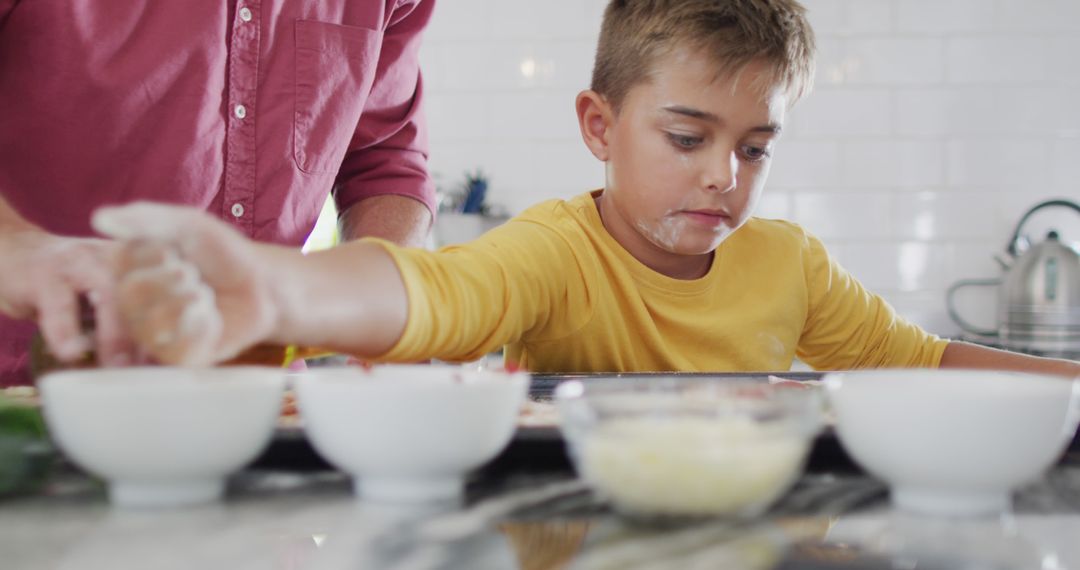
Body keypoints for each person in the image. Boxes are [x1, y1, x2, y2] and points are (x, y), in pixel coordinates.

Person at [95, 0, 1079, 378]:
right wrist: (277, 287)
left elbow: (921, 363)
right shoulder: (556, 250)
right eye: (688, 137)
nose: (721, 176)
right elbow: (441, 295)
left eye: (754, 149)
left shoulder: (789, 265)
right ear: (598, 127)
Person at [0, 1, 437, 386]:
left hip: (263, 396)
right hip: (26, 390)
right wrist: (16, 245)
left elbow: (385, 158)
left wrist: (379, 310)